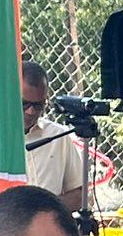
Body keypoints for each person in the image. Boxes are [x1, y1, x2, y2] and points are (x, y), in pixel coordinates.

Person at [20, 59, 86, 213]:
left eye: (38, 106)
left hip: (49, 228)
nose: (31, 111)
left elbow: (79, 195)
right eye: (24, 104)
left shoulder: (59, 136)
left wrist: (43, 209)